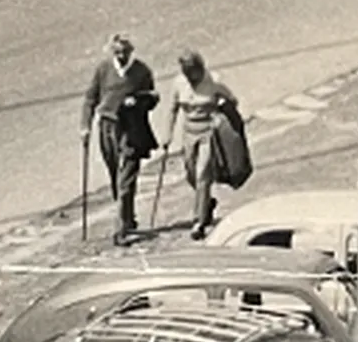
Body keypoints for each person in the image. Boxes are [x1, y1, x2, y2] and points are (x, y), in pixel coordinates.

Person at [83, 36, 160, 247]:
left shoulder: (142, 71)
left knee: (126, 179)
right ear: (112, 52)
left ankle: (120, 230)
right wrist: (85, 126)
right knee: (116, 175)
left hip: (132, 128)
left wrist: (138, 100)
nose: (121, 56)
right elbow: (91, 98)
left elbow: (153, 98)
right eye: (117, 52)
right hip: (107, 127)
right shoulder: (103, 69)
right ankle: (128, 217)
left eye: (125, 52)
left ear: (131, 51)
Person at [167, 50, 249, 241]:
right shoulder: (178, 83)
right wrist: (167, 134)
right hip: (188, 133)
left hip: (208, 132)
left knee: (203, 174)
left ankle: (199, 221)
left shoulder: (214, 80)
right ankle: (206, 202)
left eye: (194, 71)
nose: (191, 76)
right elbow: (172, 110)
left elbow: (232, 100)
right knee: (191, 174)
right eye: (187, 72)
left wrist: (221, 105)